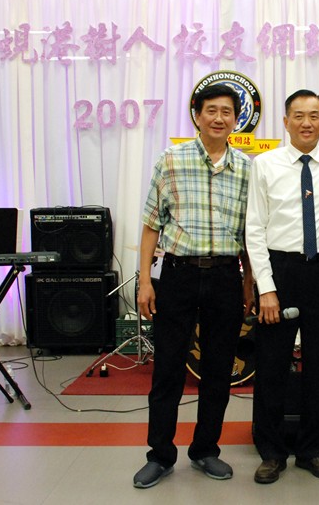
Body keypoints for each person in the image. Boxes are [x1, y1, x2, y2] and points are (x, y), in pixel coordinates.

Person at [133, 83, 255, 489]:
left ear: (236, 119)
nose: (219, 118)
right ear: (197, 115)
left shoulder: (247, 168)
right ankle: (160, 455)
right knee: (167, 368)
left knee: (218, 370)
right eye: (211, 110)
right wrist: (145, 280)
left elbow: (250, 233)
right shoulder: (171, 160)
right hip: (178, 274)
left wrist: (249, 282)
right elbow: (151, 224)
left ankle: (205, 450)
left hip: (226, 276)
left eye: (227, 112)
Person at [246, 89, 319, 484]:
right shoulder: (265, 165)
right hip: (280, 269)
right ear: (286, 121)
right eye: (299, 115)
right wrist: (266, 288)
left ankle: (311, 450)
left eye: (314, 115)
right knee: (271, 366)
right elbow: (254, 229)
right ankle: (271, 453)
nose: (307, 123)